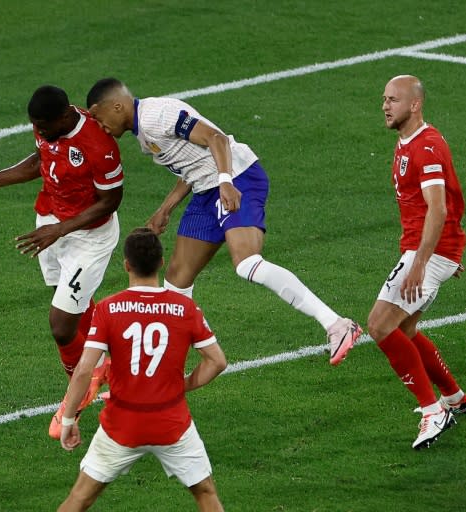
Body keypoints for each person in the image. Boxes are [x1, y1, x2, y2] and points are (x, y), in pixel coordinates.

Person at [85, 78, 361, 365]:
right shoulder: (143, 132)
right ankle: (164, 366)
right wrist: (165, 208)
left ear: (116, 106)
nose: (98, 125)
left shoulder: (157, 115)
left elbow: (215, 138)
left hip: (238, 178)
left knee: (247, 263)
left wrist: (226, 182)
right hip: (207, 189)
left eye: (97, 116)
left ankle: (337, 324)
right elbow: (192, 163)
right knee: (175, 283)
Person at [0, 85, 124, 439]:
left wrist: (61, 230)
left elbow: (110, 201)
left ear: (65, 116)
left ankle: (78, 391)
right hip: (50, 222)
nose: (39, 131)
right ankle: (107, 363)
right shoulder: (46, 126)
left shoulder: (99, 145)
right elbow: (40, 160)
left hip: (87, 237)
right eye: (36, 126)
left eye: (44, 126)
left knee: (61, 324)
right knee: (72, 304)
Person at [58, 227, 227, 512]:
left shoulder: (108, 309)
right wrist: (181, 386)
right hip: (172, 424)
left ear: (126, 265)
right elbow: (217, 362)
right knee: (206, 492)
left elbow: (85, 369)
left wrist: (68, 419)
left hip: (121, 425)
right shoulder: (184, 307)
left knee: (80, 498)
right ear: (162, 263)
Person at [367, 75, 466, 450]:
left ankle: (432, 410)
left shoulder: (425, 147)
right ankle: (454, 397)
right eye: (384, 99)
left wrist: (423, 263)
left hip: (426, 253)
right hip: (435, 250)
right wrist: (449, 251)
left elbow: (438, 208)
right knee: (405, 330)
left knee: (379, 325)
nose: (385, 105)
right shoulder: (408, 141)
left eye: (393, 100)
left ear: (414, 105)